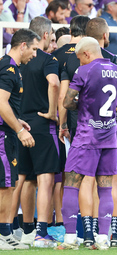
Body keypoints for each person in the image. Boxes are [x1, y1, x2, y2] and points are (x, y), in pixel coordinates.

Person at [59, 37, 117, 250]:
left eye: (79, 58)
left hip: (85, 136)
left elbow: (67, 101)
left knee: (72, 184)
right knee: (106, 188)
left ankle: (70, 238)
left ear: (86, 54)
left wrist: (81, 104)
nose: (79, 62)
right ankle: (103, 238)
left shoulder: (84, 71)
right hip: (109, 138)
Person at [14, 16, 60, 248]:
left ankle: (20, 230)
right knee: (45, 179)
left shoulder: (15, 60)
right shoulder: (47, 59)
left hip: (19, 124)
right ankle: (41, 232)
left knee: (23, 179)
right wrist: (53, 112)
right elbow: (54, 83)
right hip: (42, 123)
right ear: (44, 35)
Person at [0, 28, 39, 251]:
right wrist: (19, 129)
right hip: (3, 134)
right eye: (33, 49)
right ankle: (2, 233)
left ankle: (5, 231)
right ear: (22, 45)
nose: (35, 54)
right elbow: (1, 102)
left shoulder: (13, 68)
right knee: (5, 185)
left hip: (9, 131)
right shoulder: (8, 67)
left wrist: (17, 121)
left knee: (11, 184)